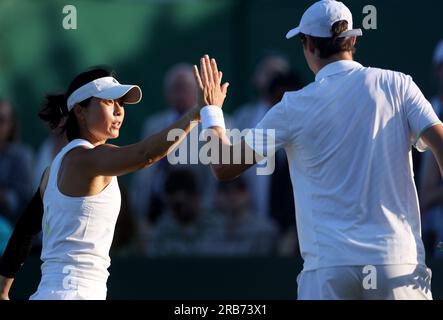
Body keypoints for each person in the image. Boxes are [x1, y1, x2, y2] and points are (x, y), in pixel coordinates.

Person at [193, 0, 443, 300]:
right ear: (352, 39)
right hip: (396, 262)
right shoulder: (398, 85)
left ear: (308, 44)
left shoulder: (292, 106)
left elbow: (223, 164)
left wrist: (211, 111)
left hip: (329, 271)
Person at [0, 66, 204, 300]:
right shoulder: (88, 159)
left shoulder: (53, 170)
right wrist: (195, 113)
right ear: (80, 111)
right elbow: (146, 154)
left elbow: (25, 230)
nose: (119, 110)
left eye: (121, 104)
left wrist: (3, 290)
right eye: (108, 102)